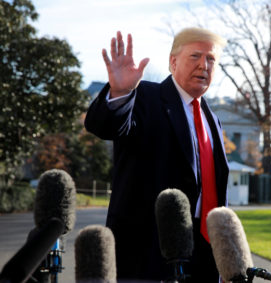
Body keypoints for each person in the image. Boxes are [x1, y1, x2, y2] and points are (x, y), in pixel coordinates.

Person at [84, 27, 229, 282]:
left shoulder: (213, 119)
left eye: (211, 59)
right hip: (147, 252)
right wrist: (119, 93)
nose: (204, 65)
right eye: (195, 56)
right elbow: (103, 125)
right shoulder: (144, 96)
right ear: (173, 62)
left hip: (205, 252)